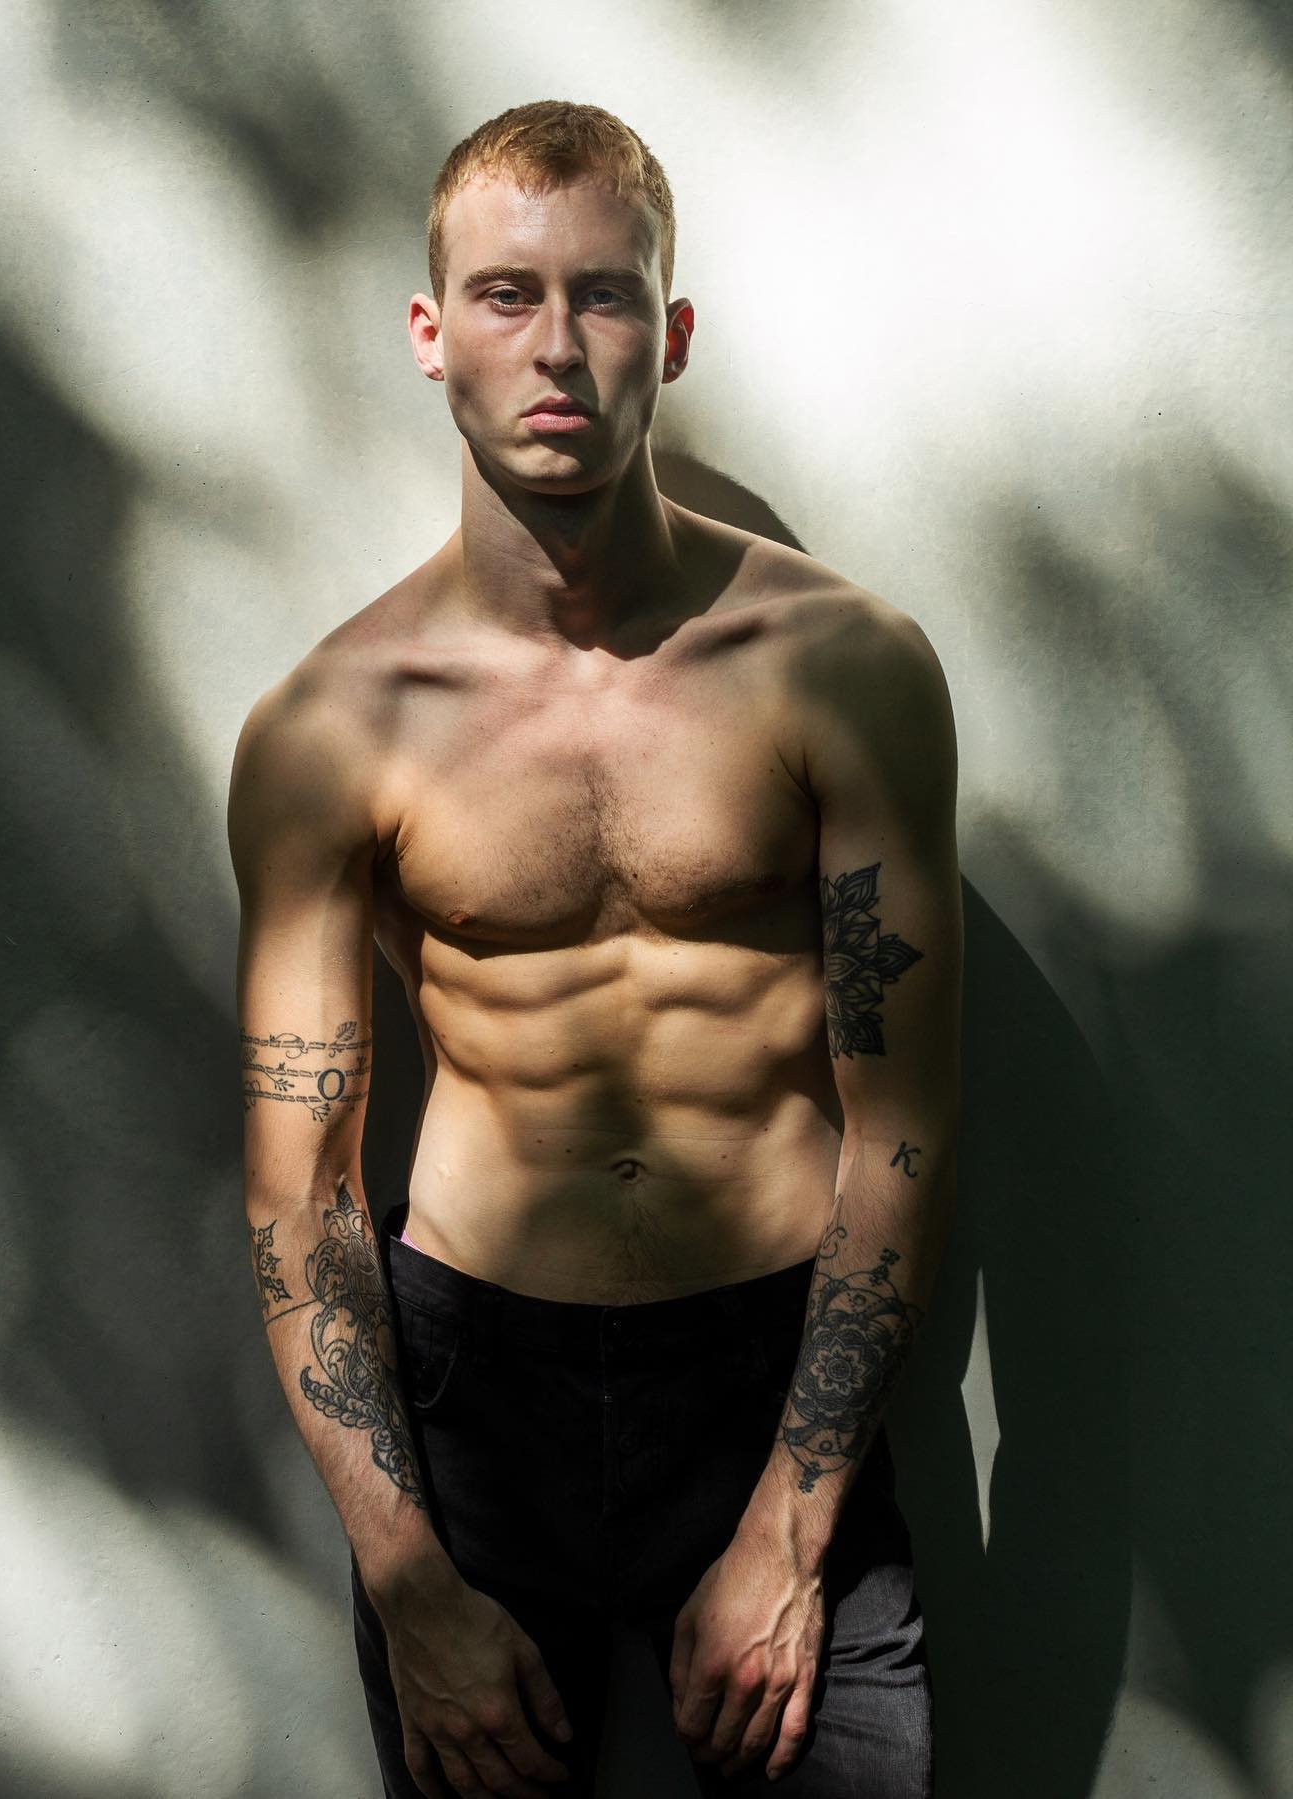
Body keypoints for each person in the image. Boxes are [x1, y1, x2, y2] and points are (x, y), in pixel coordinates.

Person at [227, 98, 962, 1799]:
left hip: (777, 1387)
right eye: (503, 296)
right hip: (476, 1419)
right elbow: (299, 1194)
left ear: (672, 334)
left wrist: (789, 1530)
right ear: (429, 336)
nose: (556, 344)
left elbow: (902, 1123)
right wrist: (409, 1585)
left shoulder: (840, 668)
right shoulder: (333, 733)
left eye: (606, 296)